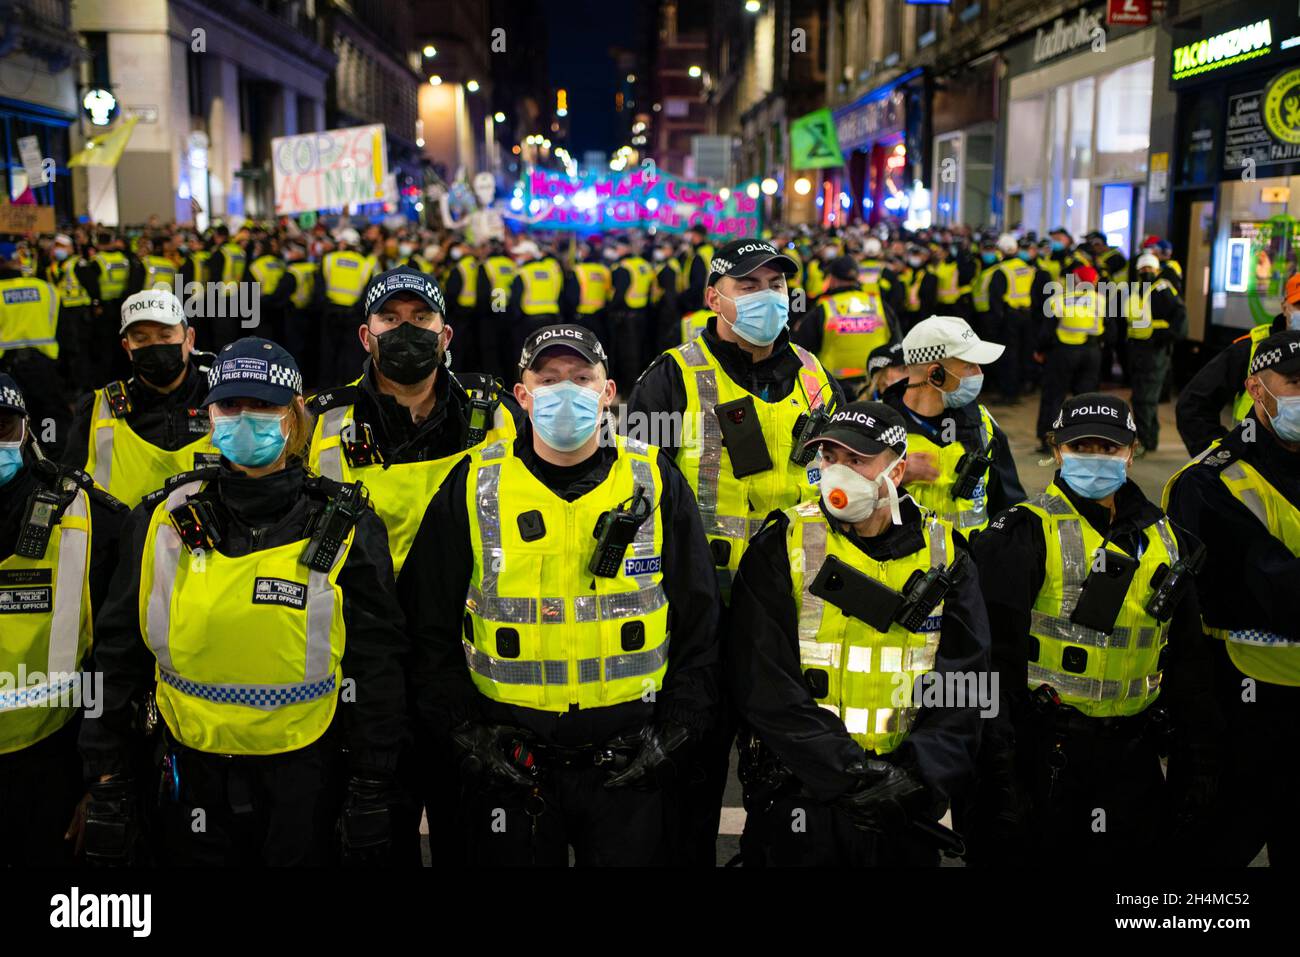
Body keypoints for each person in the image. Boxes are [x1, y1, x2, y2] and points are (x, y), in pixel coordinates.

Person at [78, 336, 408, 866]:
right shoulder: (161, 519)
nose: (245, 417)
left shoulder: (344, 521)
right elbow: (117, 657)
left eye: (264, 406)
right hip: (191, 768)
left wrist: (372, 780)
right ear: (210, 415)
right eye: (231, 405)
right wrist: (108, 778)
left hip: (304, 768)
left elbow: (378, 664)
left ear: (296, 414)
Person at [399, 323, 720, 866]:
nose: (565, 390)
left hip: (628, 756)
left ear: (608, 392)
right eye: (548, 379)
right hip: (512, 761)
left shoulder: (654, 479)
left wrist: (677, 729)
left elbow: (699, 616)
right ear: (522, 396)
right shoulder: (475, 482)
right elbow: (428, 622)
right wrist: (464, 733)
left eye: (581, 377)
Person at [729, 400, 989, 866]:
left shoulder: (946, 554)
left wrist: (918, 780)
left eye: (857, 460)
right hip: (803, 795)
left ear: (898, 469)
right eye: (828, 457)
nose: (837, 472)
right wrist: (849, 775)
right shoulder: (781, 543)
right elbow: (764, 683)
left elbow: (966, 684)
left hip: (902, 803)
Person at [965, 393, 1218, 866]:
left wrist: (1198, 760)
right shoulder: (1019, 534)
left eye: (1109, 447)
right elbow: (989, 665)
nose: (1096, 458)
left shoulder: (1167, 538)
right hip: (1045, 755)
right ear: (1057, 449)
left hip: (1133, 757)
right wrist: (1000, 775)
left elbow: (1187, 660)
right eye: (1083, 446)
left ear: (1131, 450)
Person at [1163, 330, 1300, 866]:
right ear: (1256, 390)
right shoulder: (1208, 483)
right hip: (1239, 710)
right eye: (1294, 383)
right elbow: (1276, 587)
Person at [0, 375, 126, 865]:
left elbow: (115, 663)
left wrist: (106, 783)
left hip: (55, 762)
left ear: (27, 430)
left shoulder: (87, 517)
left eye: (2, 424)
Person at [62, 289, 215, 509]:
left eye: (165, 335)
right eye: (141, 339)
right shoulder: (95, 408)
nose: (155, 346)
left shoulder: (223, 400)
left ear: (189, 338)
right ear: (128, 348)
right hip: (122, 540)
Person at [881, 315, 1025, 537]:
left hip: (972, 567)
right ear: (935, 374)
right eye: (969, 366)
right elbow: (843, 506)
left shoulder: (982, 424)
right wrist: (887, 480)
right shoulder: (876, 426)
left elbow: (1010, 506)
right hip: (904, 568)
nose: (979, 374)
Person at [1175, 276, 1295, 456]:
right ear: (1285, 306)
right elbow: (1193, 405)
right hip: (1257, 469)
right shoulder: (1251, 349)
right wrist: (1223, 455)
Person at [0, 240, 68, 456]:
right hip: (44, 366)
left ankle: (27, 456)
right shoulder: (45, 288)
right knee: (49, 414)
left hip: (8, 371)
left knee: (15, 419)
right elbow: (64, 330)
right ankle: (53, 454)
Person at [793, 254, 900, 390]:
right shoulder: (879, 305)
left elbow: (800, 350)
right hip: (874, 386)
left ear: (832, 279)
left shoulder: (824, 309)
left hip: (833, 388)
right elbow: (897, 344)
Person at [1034, 265, 1106, 453]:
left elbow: (1047, 330)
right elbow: (1112, 331)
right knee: (1086, 401)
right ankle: (1084, 442)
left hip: (1063, 353)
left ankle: (1049, 441)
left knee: (1054, 397)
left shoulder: (1058, 300)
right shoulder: (1101, 300)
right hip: (1091, 353)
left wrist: (1040, 350)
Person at [1126, 252, 1185, 456]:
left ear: (1157, 270)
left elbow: (1180, 320)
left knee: (1145, 398)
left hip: (1154, 351)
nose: (1146, 272)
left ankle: (1145, 439)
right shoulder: (1138, 291)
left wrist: (1161, 338)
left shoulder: (1162, 290)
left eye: (1149, 269)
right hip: (1139, 350)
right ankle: (1148, 438)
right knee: (1141, 398)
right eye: (1143, 269)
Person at [318, 228, 377, 387]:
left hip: (331, 313)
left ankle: (326, 391)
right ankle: (348, 391)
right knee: (350, 356)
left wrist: (325, 306)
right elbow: (367, 294)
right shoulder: (365, 265)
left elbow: (319, 288)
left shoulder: (329, 259)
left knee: (328, 354)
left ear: (343, 243)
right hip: (353, 316)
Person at [985, 233, 1035, 402]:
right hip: (1026, 315)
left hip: (1010, 317)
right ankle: (1021, 388)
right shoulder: (1027, 268)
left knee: (1009, 356)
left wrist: (995, 322)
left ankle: (1009, 393)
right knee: (1023, 353)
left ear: (1001, 251)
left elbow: (995, 298)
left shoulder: (1002, 271)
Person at [607, 237, 656, 393]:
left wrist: (610, 309)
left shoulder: (623, 267)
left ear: (623, 248)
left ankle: (629, 390)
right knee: (641, 353)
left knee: (628, 356)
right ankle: (642, 387)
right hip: (643, 315)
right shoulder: (644, 265)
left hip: (626, 317)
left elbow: (619, 293)